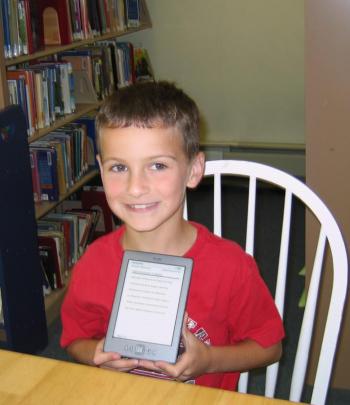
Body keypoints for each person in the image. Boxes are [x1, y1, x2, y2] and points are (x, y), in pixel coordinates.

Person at [60, 81, 284, 390]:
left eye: (157, 165)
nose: (135, 187)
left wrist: (209, 360)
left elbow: (270, 347)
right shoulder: (93, 264)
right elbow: (75, 340)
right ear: (101, 169)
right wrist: (95, 355)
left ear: (193, 170)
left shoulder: (231, 267)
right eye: (119, 168)